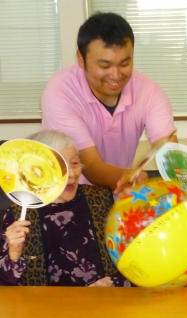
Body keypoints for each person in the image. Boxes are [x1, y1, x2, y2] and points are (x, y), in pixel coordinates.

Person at [41, 12, 177, 194]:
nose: (116, 75)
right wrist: (127, 176)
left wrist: (183, 174)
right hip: (62, 198)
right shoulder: (60, 92)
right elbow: (89, 165)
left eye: (124, 64)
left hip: (116, 194)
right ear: (81, 59)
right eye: (105, 66)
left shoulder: (148, 91)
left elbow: (169, 151)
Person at [0, 131, 128, 287]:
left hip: (103, 301)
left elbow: (135, 261)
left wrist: (113, 282)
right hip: (43, 303)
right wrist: (13, 255)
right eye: (59, 166)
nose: (71, 174)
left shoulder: (103, 201)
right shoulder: (18, 214)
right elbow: (4, 285)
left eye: (74, 163)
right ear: (37, 171)